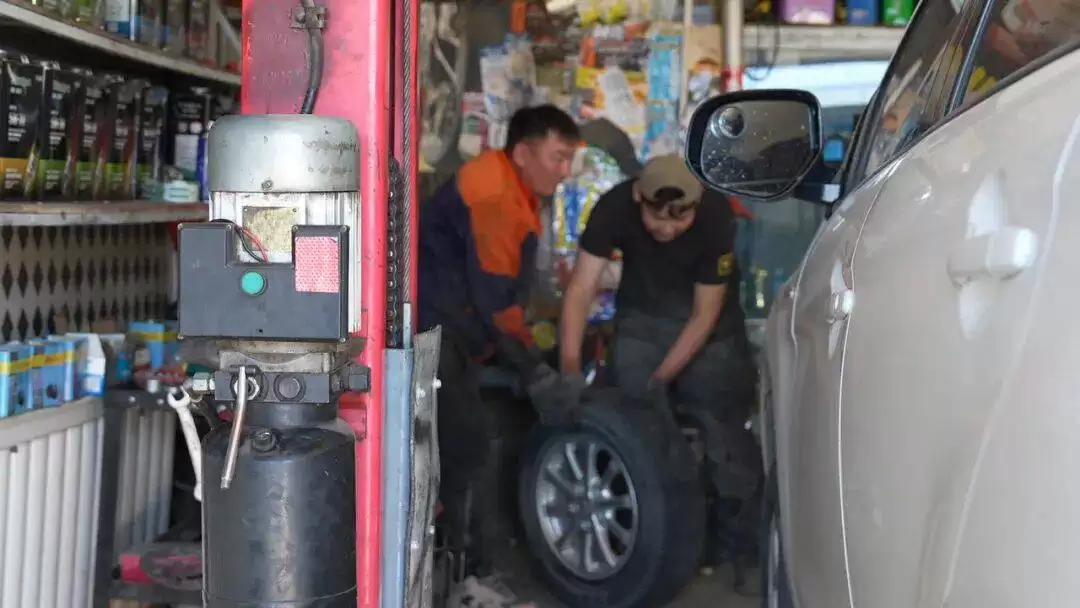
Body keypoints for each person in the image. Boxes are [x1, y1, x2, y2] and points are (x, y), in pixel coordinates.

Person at [558, 154, 761, 546]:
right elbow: (581, 288)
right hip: (642, 321)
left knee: (722, 432)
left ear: (697, 203)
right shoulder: (615, 207)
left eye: (679, 219)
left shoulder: (715, 216)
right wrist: (569, 368)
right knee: (632, 426)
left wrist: (661, 379)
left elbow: (704, 315)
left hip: (711, 334)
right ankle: (642, 534)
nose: (667, 228)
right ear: (639, 195)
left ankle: (736, 540)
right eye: (657, 218)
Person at [417, 104, 580, 571]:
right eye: (558, 157)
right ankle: (465, 574)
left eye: (570, 159)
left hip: (453, 324)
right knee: (468, 449)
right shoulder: (496, 198)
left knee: (465, 443)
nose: (565, 171)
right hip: (436, 332)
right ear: (524, 152)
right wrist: (535, 370)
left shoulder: (513, 184)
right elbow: (497, 305)